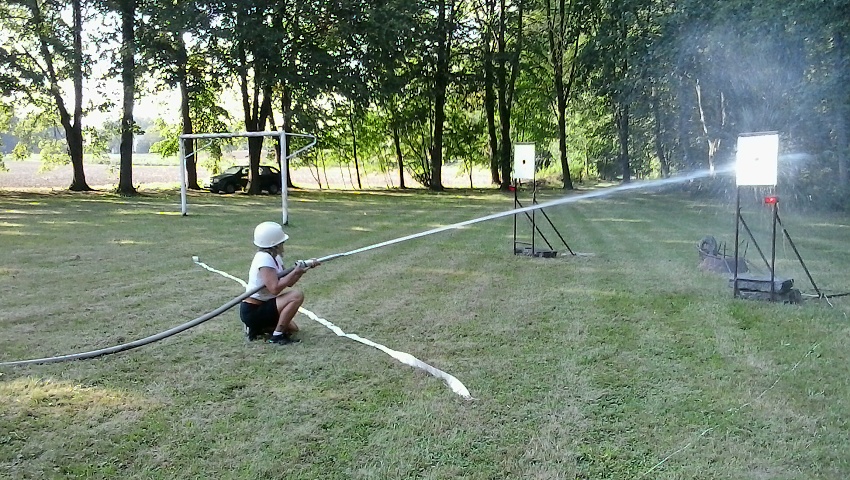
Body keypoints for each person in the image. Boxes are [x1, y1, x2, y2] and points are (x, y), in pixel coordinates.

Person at [240, 221, 319, 345]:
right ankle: (277, 336)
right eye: (282, 242)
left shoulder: (275, 257)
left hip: (265, 305)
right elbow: (274, 288)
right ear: (274, 244)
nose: (283, 245)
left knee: (293, 328)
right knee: (296, 296)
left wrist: (302, 270)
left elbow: (289, 282)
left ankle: (257, 329)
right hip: (254, 310)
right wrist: (295, 272)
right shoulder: (264, 259)